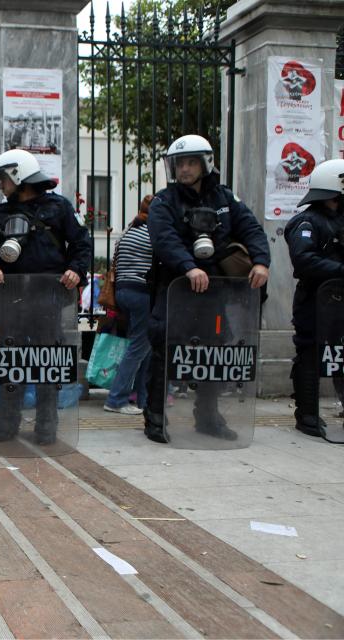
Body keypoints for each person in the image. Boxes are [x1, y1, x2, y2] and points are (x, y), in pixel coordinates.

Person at [144, 134, 270, 444]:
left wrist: (261, 262)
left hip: (215, 292)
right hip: (176, 290)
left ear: (205, 163)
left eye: (190, 162)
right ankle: (156, 418)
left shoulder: (225, 199)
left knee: (214, 352)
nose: (184, 169)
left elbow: (251, 229)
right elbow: (164, 240)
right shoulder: (164, 201)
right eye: (179, 164)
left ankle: (208, 417)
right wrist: (189, 266)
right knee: (165, 352)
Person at [0, 149, 92, 443]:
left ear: (19, 176)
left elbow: (82, 243)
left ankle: (46, 423)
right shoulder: (3, 213)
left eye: (3, 179)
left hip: (48, 298)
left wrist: (75, 271)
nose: (2, 186)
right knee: (11, 361)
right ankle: (8, 421)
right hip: (12, 299)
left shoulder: (58, 207)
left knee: (47, 361)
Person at [284, 158, 344, 437]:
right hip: (315, 302)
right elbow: (304, 260)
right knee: (310, 353)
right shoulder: (307, 221)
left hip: (339, 302)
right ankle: (307, 414)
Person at [103, 195, 154, 415]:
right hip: (142, 293)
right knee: (138, 347)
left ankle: (143, 398)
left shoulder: (129, 231)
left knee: (145, 347)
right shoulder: (153, 233)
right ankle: (116, 399)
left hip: (123, 292)